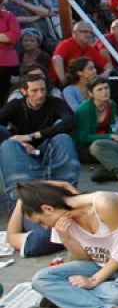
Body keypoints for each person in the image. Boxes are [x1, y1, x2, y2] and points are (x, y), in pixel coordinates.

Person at [0, 75, 79, 215]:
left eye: (43, 90)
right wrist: (18, 141)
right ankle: (22, 196)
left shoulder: (54, 103)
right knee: (8, 145)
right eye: (34, 91)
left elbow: (69, 121)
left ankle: (65, 191)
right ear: (24, 91)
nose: (40, 94)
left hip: (47, 147)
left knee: (63, 138)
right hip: (21, 152)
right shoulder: (17, 105)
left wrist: (34, 136)